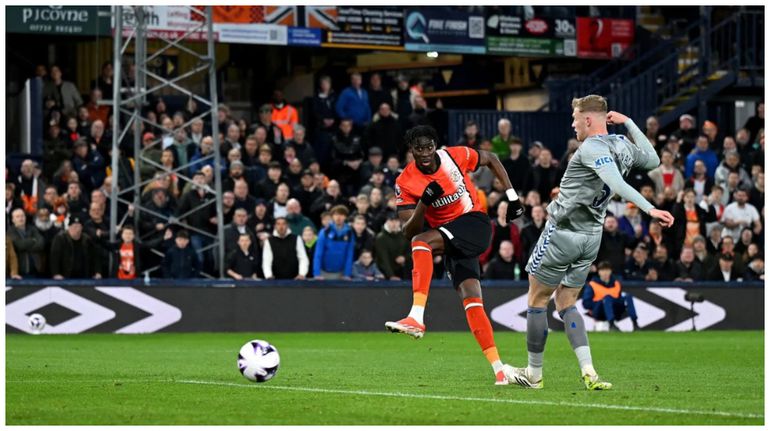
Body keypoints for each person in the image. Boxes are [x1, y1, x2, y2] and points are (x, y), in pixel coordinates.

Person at [504, 96, 674, 390]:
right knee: (566, 302)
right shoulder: (621, 145)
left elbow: (619, 184)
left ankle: (533, 375)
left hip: (562, 233)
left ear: (588, 119)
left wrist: (650, 209)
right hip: (591, 238)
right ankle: (589, 371)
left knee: (537, 298)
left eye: (574, 118)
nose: (572, 124)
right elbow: (653, 159)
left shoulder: (591, 148)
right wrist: (630, 123)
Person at [385, 124, 525, 385]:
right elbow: (407, 229)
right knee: (472, 300)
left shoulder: (454, 156)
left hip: (474, 223)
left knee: (422, 243)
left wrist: (512, 197)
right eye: (419, 148)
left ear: (435, 146)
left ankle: (416, 316)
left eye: (429, 147)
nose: (425, 153)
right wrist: (423, 204)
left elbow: (491, 159)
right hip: (451, 238)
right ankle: (500, 370)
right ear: (411, 151)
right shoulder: (405, 181)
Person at [582, 261, 640, 331]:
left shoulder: (616, 284)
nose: (605, 273)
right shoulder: (592, 284)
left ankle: (635, 323)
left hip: (615, 310)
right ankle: (611, 324)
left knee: (628, 296)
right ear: (599, 272)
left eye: (607, 270)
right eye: (603, 270)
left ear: (610, 271)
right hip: (599, 311)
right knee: (607, 298)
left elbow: (619, 298)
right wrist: (600, 302)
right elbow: (586, 304)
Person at [313, 205, 355, 280]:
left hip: (341, 274)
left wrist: (347, 274)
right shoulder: (324, 232)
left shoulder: (349, 233)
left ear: (345, 217)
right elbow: (318, 254)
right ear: (332, 217)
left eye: (341, 215)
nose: (338, 217)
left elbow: (349, 254)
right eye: (336, 215)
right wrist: (317, 273)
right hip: (323, 273)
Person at [7, 208, 44, 277]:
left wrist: (26, 245)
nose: (21, 218)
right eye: (17, 216)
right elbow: (20, 245)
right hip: (19, 272)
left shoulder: (32, 229)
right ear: (13, 220)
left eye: (22, 216)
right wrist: (33, 240)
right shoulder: (10, 232)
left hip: (36, 270)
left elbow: (41, 243)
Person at [374, 212, 410, 280]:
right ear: (387, 222)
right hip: (385, 274)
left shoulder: (404, 235)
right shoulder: (381, 238)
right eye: (391, 221)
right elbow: (384, 259)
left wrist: (404, 257)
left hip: (402, 272)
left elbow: (410, 251)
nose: (394, 224)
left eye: (396, 221)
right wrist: (391, 275)